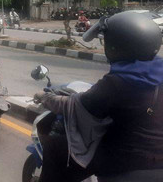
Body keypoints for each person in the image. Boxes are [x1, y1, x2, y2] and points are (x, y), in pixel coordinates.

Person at [35, 12, 163, 181]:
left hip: (124, 161)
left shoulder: (117, 82)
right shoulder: (156, 73)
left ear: (117, 46)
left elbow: (75, 105)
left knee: (54, 147)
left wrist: (44, 97)